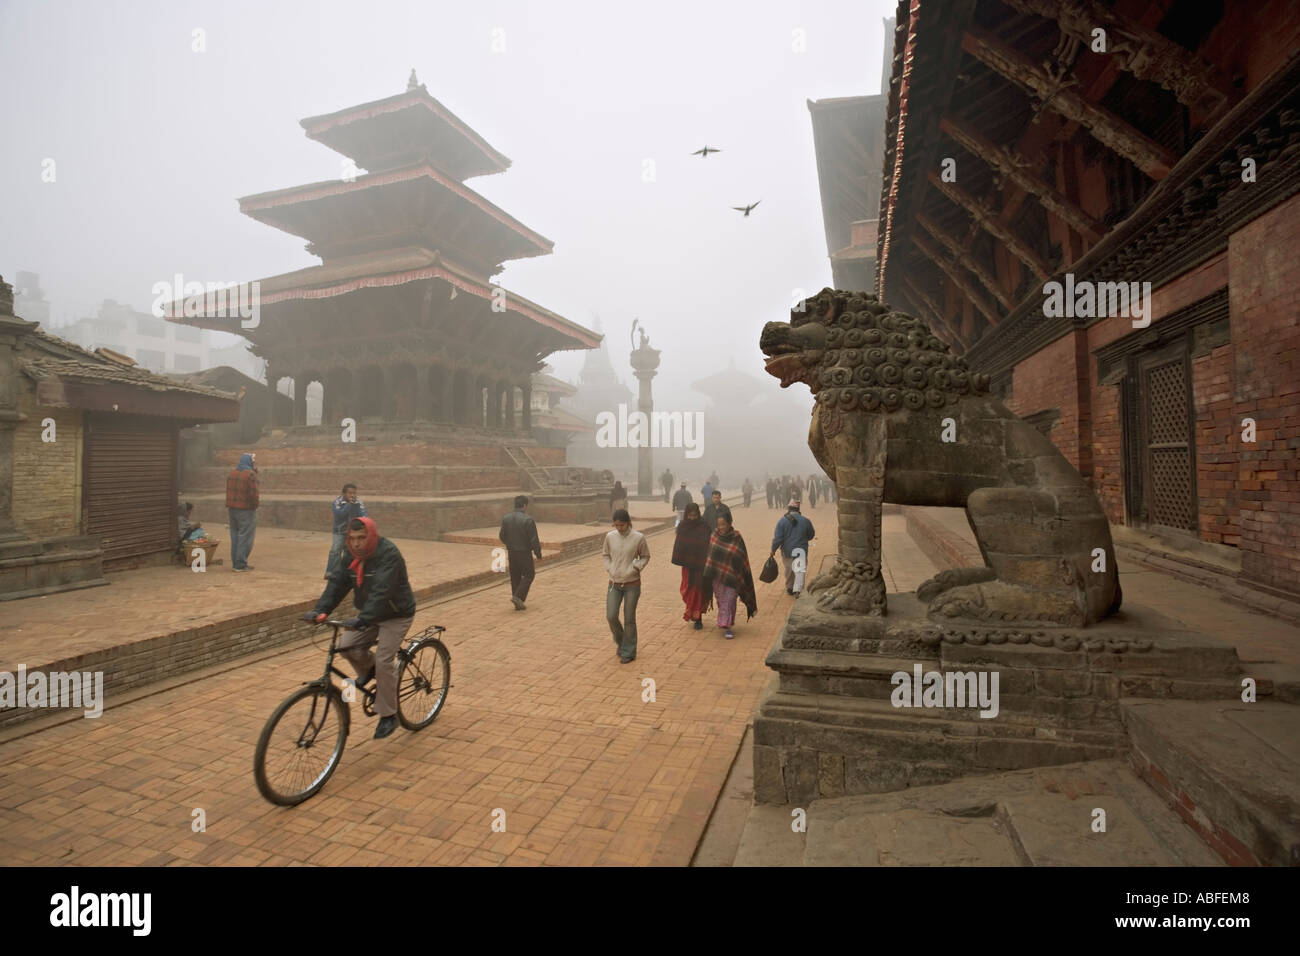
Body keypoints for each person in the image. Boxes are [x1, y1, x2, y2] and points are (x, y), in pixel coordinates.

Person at [303, 516, 416, 740]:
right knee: (346, 645)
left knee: (384, 660)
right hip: (369, 613)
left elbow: (382, 591)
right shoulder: (350, 555)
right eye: (352, 538)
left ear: (371, 535)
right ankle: (370, 671)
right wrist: (321, 611)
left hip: (396, 614)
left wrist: (363, 618)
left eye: (361, 538)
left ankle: (389, 714)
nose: (356, 543)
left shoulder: (388, 554)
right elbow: (337, 584)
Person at [603, 509, 650, 663]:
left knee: (629, 619)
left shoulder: (638, 537)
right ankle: (622, 642)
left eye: (622, 525)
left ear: (628, 523)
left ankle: (628, 651)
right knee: (611, 616)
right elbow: (605, 555)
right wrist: (609, 568)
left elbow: (645, 556)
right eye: (616, 525)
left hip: (632, 584)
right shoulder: (610, 537)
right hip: (614, 583)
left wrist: (637, 567)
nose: (619, 528)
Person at [703, 511, 757, 639]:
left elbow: (742, 557)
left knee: (730, 600)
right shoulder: (714, 536)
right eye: (719, 525)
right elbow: (710, 557)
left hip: (733, 577)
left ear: (730, 523)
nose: (721, 527)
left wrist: (739, 573)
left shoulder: (737, 537)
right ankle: (726, 622)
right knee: (722, 601)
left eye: (724, 524)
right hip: (717, 578)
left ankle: (727, 625)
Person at [671, 502, 713, 630]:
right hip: (688, 567)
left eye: (695, 515)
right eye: (690, 515)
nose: (692, 518)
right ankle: (692, 612)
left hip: (701, 566)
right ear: (686, 515)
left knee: (699, 591)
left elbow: (709, 544)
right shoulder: (683, 526)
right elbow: (679, 544)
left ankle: (698, 618)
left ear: (698, 514)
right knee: (689, 590)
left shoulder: (704, 526)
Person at [499, 494, 543, 610]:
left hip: (512, 552)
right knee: (529, 574)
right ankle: (518, 597)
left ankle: (517, 601)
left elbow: (502, 536)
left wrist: (509, 544)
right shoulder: (528, 520)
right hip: (524, 552)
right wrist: (538, 553)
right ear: (524, 505)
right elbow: (534, 539)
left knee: (515, 576)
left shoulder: (506, 518)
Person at [770, 499, 816, 596]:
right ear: (798, 509)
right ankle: (798, 590)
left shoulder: (782, 521)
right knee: (800, 570)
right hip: (801, 550)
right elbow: (811, 535)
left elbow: (778, 538)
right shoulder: (806, 521)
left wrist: (773, 550)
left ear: (789, 509)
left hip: (788, 551)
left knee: (789, 570)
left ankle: (790, 588)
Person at [226, 452, 259, 572]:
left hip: (232, 509)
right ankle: (240, 564)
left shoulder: (232, 473)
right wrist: (255, 506)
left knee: (235, 536)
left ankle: (236, 563)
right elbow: (253, 494)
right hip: (246, 510)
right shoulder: (250, 475)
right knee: (245, 537)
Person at [327, 483, 367, 579]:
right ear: (344, 493)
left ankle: (347, 573)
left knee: (349, 552)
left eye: (354, 493)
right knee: (335, 550)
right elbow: (340, 515)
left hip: (352, 532)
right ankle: (331, 572)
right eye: (350, 493)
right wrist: (349, 505)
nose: (352, 495)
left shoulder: (358, 502)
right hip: (339, 531)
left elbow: (363, 515)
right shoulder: (337, 502)